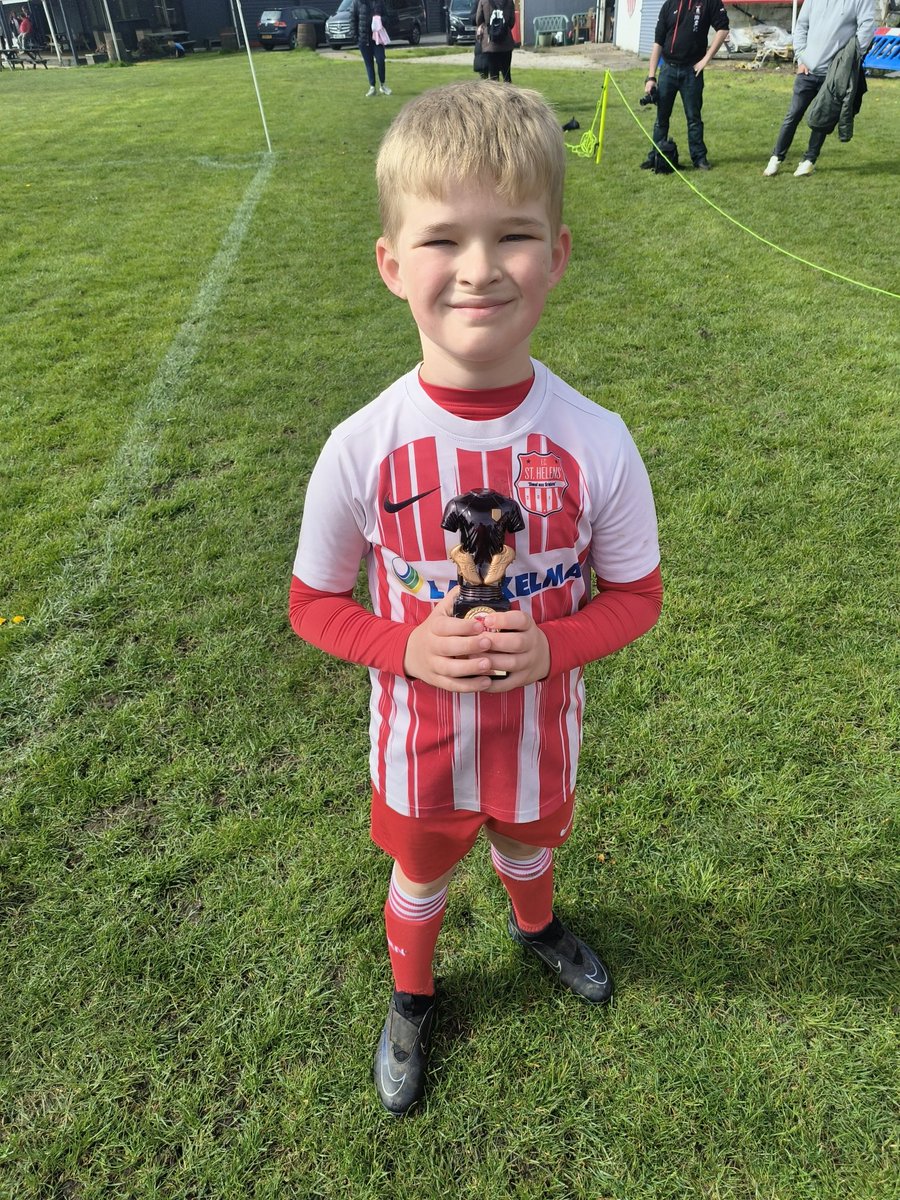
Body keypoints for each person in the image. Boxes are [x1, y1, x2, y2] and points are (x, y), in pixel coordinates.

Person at [289, 81, 663, 1116]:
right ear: (390, 263)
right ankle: (413, 994)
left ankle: (534, 924)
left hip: (540, 735)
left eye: (515, 235)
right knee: (422, 870)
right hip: (419, 744)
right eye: (444, 238)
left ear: (559, 253)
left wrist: (559, 648)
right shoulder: (362, 446)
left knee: (530, 844)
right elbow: (313, 602)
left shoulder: (597, 440)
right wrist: (402, 651)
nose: (481, 268)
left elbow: (637, 594)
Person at [762, 0, 876, 178]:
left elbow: (867, 27)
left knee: (822, 117)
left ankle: (809, 160)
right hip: (807, 70)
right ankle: (776, 157)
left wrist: (848, 59)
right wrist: (800, 57)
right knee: (793, 115)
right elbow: (801, 26)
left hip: (834, 74)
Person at [643, 0, 730, 170]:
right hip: (668, 69)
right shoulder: (669, 5)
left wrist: (706, 60)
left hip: (692, 72)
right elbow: (658, 42)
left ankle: (699, 158)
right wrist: (651, 77)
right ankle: (656, 156)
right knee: (661, 118)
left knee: (694, 118)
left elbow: (723, 28)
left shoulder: (709, 3)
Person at [350, 0, 391, 97]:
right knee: (369, 64)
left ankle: (383, 85)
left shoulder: (379, 2)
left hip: (377, 39)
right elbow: (352, 20)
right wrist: (356, 38)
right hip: (364, 40)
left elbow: (387, 17)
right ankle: (372, 87)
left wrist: (380, 20)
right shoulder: (356, 3)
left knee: (380, 60)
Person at [475, 0, 515, 82]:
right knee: (507, 74)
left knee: (493, 75)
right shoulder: (509, 1)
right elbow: (512, 21)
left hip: (490, 43)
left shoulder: (484, 1)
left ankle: (495, 94)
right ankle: (509, 93)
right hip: (506, 42)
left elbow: (479, 19)